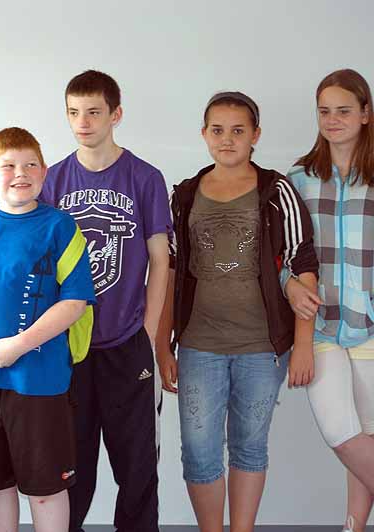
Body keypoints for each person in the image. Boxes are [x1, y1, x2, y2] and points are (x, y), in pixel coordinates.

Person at [155, 91, 318, 532]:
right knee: (199, 453)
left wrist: (303, 344)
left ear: (255, 136)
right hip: (199, 346)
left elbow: (303, 263)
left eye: (238, 131)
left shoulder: (276, 191)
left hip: (262, 349)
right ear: (204, 134)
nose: (227, 139)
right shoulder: (184, 195)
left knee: (249, 448)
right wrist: (162, 345)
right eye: (218, 130)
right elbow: (169, 272)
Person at [0, 127, 95, 532]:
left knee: (45, 487)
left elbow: (74, 302)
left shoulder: (60, 227)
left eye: (30, 165)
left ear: (44, 172)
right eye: (8, 165)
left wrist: (20, 345)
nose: (20, 173)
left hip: (38, 380)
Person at [39, 70, 170, 532]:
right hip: (68, 347)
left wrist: (148, 333)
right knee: (70, 468)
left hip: (126, 342)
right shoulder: (52, 180)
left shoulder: (145, 178)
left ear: (116, 114)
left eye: (93, 112)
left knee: (136, 467)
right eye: (74, 112)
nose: (83, 122)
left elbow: (161, 260)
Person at [284, 69, 374, 532]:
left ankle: (353, 526)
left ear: (365, 114)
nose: (333, 120)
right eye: (324, 111)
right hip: (319, 327)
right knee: (340, 431)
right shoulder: (297, 180)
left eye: (343, 110)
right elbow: (280, 254)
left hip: (370, 326)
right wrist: (289, 283)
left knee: (367, 436)